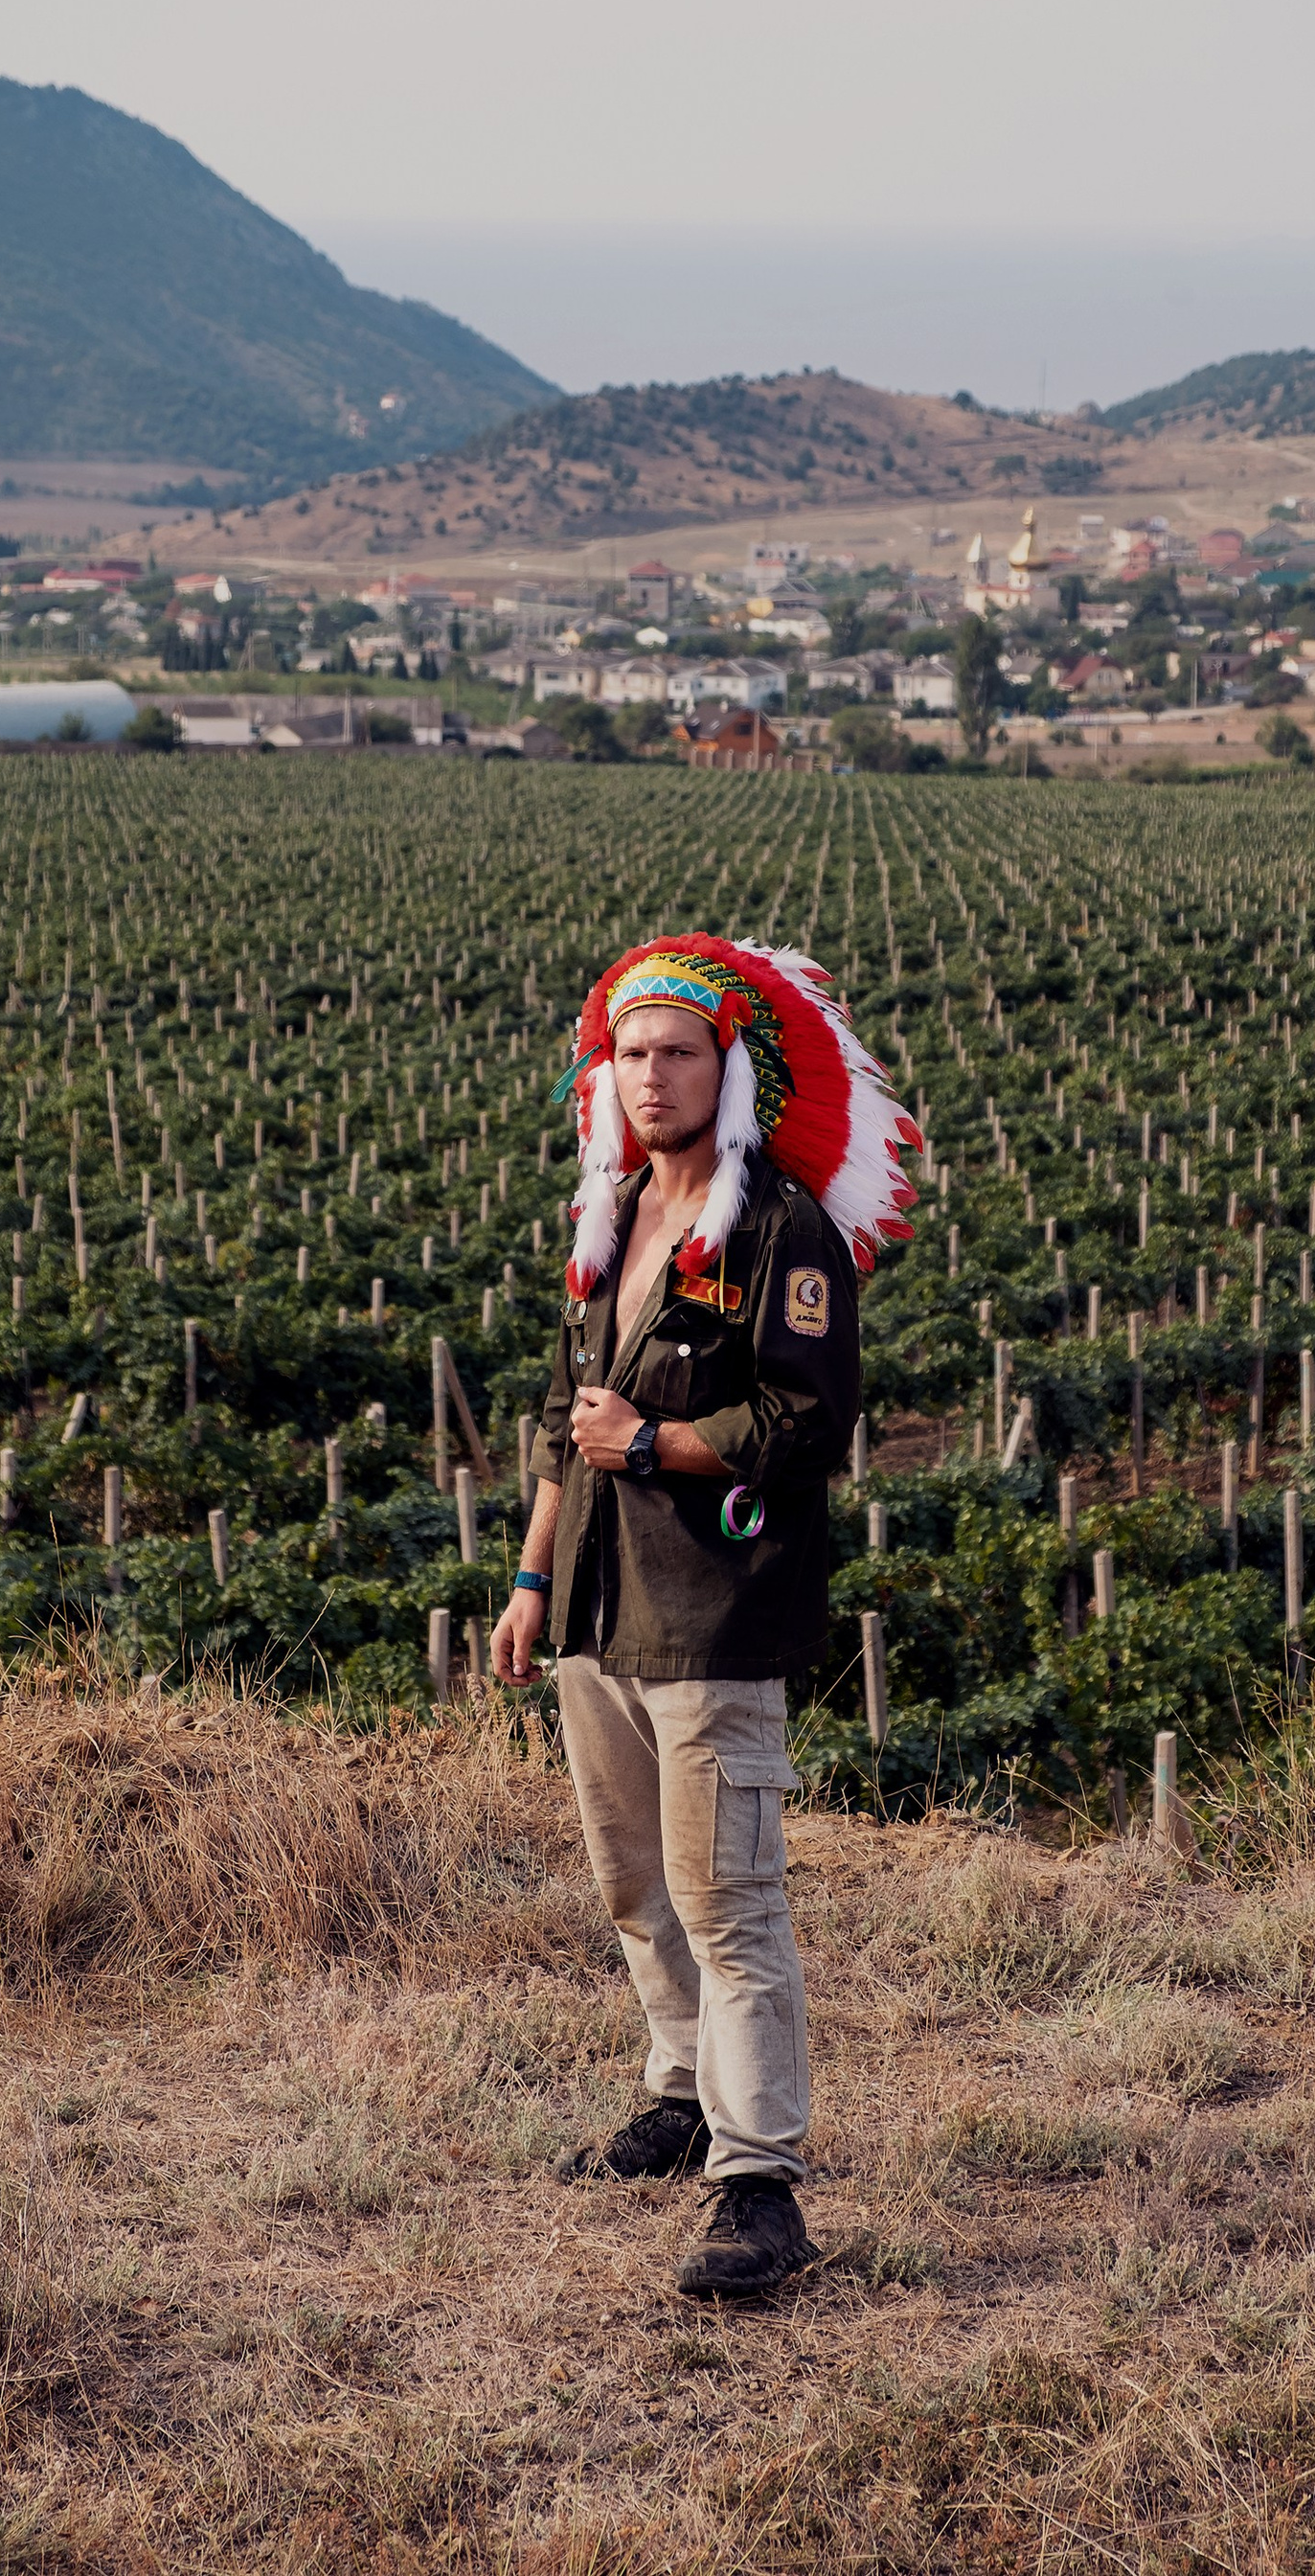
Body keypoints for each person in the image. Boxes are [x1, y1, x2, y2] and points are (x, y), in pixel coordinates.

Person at [491, 938, 918, 2299]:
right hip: (597, 1610)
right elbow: (565, 1421)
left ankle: (760, 2181)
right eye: (632, 1053)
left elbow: (807, 1424)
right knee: (633, 1884)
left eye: (678, 1052)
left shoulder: (779, 1230)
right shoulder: (610, 1214)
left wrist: (653, 1445)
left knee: (729, 1900)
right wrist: (532, 1579)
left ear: (724, 1071)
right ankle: (680, 2093)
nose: (652, 1076)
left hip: (713, 1618)